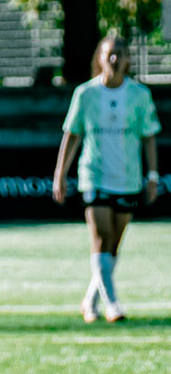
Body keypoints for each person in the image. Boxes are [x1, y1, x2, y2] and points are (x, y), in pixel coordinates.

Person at [53, 33, 159, 322]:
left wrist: (152, 176)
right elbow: (72, 135)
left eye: (120, 53)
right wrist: (59, 174)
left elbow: (148, 136)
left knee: (114, 245)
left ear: (127, 60)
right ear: (99, 59)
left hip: (127, 177)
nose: (114, 58)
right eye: (109, 53)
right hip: (94, 175)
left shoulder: (139, 95)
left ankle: (90, 300)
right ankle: (113, 304)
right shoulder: (85, 94)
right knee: (101, 237)